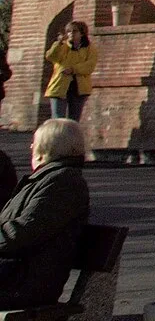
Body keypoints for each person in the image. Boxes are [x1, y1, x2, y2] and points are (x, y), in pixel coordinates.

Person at [0, 118, 89, 309]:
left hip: (24, 283)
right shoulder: (46, 179)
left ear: (47, 147)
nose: (31, 146)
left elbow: (21, 232)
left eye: (35, 142)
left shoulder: (64, 182)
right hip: (12, 275)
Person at [43, 23, 95, 124]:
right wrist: (58, 43)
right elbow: (51, 56)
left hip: (78, 88)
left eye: (74, 31)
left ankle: (70, 139)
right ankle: (58, 139)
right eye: (69, 31)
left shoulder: (89, 49)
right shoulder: (63, 46)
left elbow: (90, 65)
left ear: (82, 34)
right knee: (57, 120)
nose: (71, 34)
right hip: (59, 86)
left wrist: (73, 69)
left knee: (74, 121)